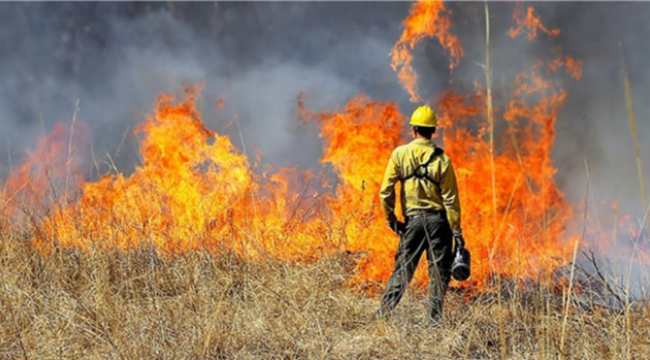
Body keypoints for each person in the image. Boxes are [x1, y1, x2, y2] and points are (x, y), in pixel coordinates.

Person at [376, 104, 465, 325]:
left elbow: (385, 191)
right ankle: (434, 321)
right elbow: (451, 200)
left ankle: (382, 316)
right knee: (439, 272)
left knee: (403, 270)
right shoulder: (442, 159)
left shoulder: (400, 154)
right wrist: (457, 231)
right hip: (439, 223)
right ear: (433, 131)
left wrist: (391, 220)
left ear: (414, 129)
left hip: (413, 222)